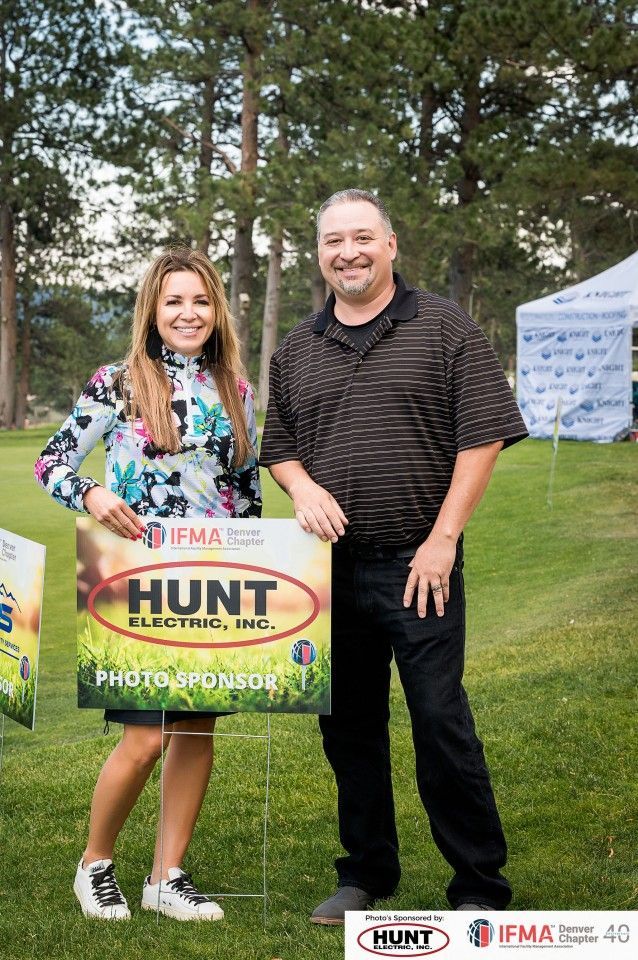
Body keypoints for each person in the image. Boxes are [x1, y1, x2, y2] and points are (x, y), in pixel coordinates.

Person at [260, 189, 527, 922]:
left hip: (420, 565)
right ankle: (365, 872)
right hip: (329, 572)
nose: (347, 252)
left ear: (391, 244)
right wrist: (302, 486)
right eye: (332, 241)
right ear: (319, 254)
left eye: (361, 237)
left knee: (440, 721)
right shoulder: (297, 348)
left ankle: (478, 885)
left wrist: (443, 541)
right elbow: (279, 446)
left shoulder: (444, 326)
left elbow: (484, 434)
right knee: (348, 729)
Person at [35, 247, 261, 921]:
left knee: (194, 730)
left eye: (200, 301)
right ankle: (94, 864)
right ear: (152, 313)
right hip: (137, 582)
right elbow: (50, 464)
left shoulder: (236, 389)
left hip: (217, 585)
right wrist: (94, 494)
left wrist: (257, 570)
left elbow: (246, 493)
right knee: (146, 737)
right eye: (174, 302)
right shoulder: (117, 383)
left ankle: (167, 877)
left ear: (216, 309)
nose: (188, 313)